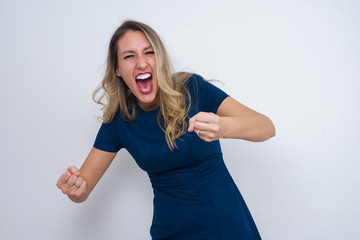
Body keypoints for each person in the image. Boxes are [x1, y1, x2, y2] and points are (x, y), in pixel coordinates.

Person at [56, 20, 275, 240]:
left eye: (149, 53)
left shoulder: (192, 89)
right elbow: (82, 190)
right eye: (129, 56)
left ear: (159, 59)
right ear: (117, 69)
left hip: (227, 226)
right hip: (171, 232)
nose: (141, 63)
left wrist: (224, 127)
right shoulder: (118, 122)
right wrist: (76, 189)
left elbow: (266, 127)